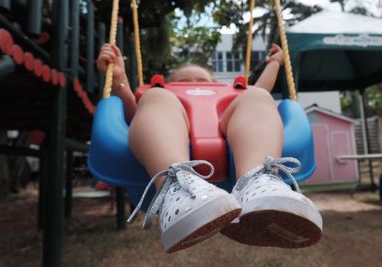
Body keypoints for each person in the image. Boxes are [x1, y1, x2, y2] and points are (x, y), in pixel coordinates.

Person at [97, 44, 323, 253]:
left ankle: (258, 182)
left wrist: (275, 63)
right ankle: (176, 188)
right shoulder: (163, 95)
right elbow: (137, 118)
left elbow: (259, 91)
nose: (194, 85)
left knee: (257, 95)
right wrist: (119, 80)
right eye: (184, 81)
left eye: (202, 80)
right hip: (168, 143)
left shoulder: (231, 99)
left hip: (236, 147)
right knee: (153, 98)